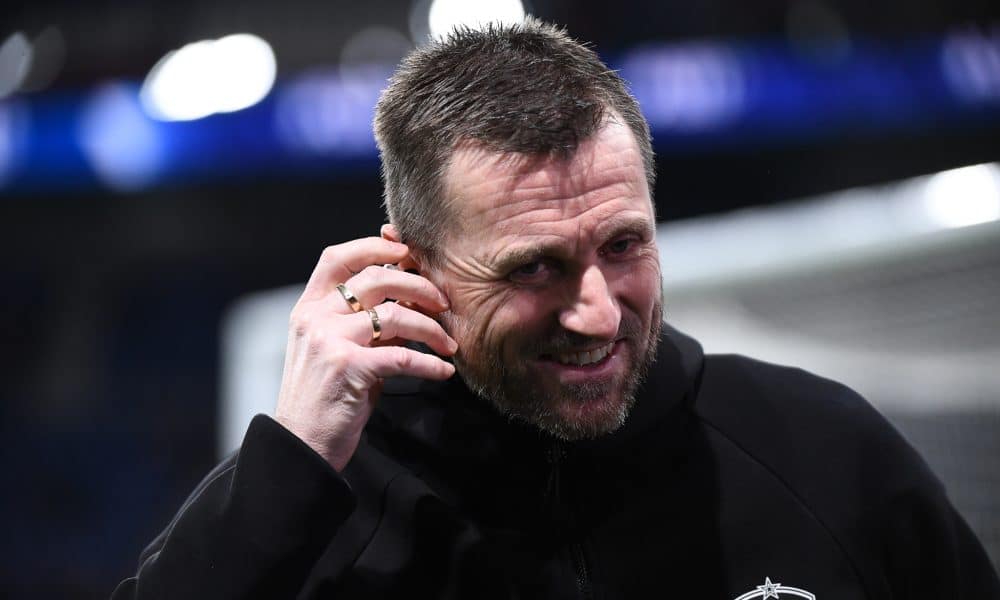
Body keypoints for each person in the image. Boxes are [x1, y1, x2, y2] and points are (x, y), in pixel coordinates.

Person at [113, 18, 1000, 599]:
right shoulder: (312, 519)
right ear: (410, 268)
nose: (600, 316)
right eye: (535, 268)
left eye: (623, 247)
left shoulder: (823, 452)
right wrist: (293, 461)